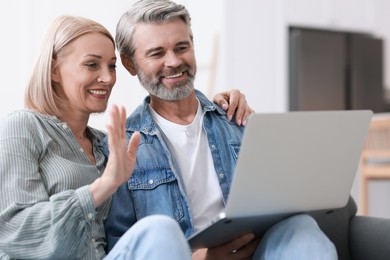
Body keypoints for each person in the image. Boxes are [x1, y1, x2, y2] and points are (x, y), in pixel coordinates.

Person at [0, 15, 250, 260]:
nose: (108, 78)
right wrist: (104, 184)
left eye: (111, 66)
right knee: (160, 230)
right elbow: (14, 231)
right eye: (92, 65)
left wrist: (221, 105)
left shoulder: (104, 145)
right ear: (54, 70)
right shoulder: (22, 127)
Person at [103, 0, 339, 259]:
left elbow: (276, 203)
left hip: (252, 251)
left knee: (301, 227)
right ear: (129, 63)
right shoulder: (122, 146)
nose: (173, 61)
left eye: (182, 47)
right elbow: (123, 246)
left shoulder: (234, 118)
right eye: (157, 53)